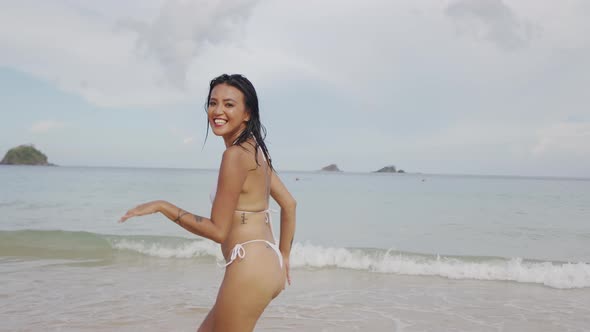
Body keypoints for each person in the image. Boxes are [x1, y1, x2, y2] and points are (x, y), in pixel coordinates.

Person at [119, 74, 297, 331]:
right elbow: (290, 204)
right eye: (213, 103)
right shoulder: (254, 149)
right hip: (268, 265)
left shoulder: (235, 155)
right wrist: (284, 258)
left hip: (248, 269)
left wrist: (163, 206)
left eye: (229, 104)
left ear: (247, 113)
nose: (218, 111)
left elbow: (218, 230)